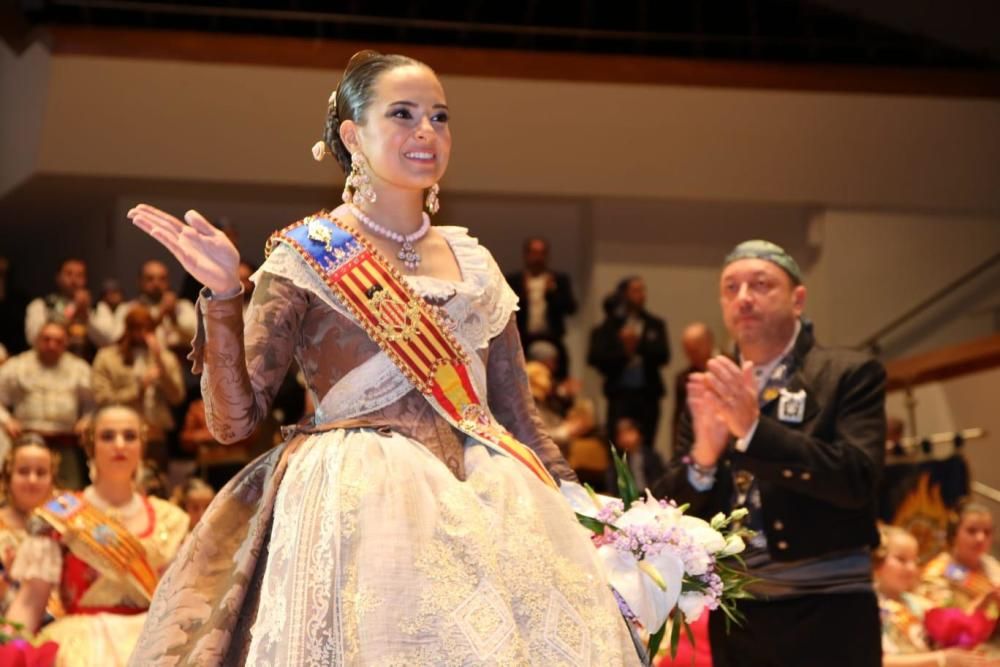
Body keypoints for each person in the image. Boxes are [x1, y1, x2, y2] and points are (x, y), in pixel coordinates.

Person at [126, 50, 640, 665]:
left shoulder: (475, 264)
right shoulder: (305, 256)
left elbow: (518, 423)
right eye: (403, 114)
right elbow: (233, 423)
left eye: (440, 117)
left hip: (492, 499)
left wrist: (596, 520)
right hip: (359, 505)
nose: (427, 132)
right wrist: (224, 296)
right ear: (353, 134)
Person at [653, 239, 887, 667]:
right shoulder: (711, 387)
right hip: (738, 614)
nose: (743, 298)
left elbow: (857, 480)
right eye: (730, 288)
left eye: (760, 285)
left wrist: (755, 432)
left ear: (798, 300)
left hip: (830, 612)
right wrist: (703, 459)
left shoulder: (847, 373)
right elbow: (669, 513)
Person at [6, 404, 189, 666]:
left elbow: (182, 602)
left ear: (142, 445)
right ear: (91, 445)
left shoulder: (169, 520)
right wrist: (10, 649)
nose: (119, 444)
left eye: (129, 436)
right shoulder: (61, 516)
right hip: (82, 646)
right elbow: (30, 601)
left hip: (152, 644)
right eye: (107, 436)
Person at [876, 525, 999, 666]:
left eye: (915, 560)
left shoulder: (916, 603)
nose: (911, 568)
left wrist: (983, 605)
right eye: (901, 560)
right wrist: (940, 659)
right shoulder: (867, 608)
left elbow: (956, 628)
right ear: (877, 561)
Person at [0, 321, 94, 489]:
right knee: (22, 490)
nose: (52, 345)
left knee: (68, 495)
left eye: (58, 341)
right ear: (37, 340)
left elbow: (92, 404)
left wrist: (86, 419)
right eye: (47, 339)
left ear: (66, 343)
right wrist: (7, 420)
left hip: (65, 442)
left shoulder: (79, 368)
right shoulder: (17, 366)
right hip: (26, 441)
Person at [92, 304, 185, 469]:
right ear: (128, 329)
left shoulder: (165, 358)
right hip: (120, 433)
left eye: (147, 329)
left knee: (156, 484)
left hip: (155, 433)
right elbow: (102, 398)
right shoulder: (107, 358)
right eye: (137, 328)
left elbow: (177, 397)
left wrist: (161, 365)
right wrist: (138, 388)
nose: (142, 334)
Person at [588, 275, 670, 448]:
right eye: (635, 291)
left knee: (647, 444)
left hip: (647, 395)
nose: (641, 295)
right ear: (624, 294)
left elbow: (663, 355)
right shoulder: (609, 327)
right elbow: (596, 358)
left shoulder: (654, 324)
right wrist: (624, 351)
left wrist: (637, 345)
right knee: (618, 445)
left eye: (642, 290)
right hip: (620, 395)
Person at [0, 434, 58, 617]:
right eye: (23, 471)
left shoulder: (66, 526)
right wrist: (7, 576)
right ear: (8, 476)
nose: (32, 480)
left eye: (41, 473)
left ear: (52, 478)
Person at [505, 237, 577, 379]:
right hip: (522, 339)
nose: (537, 257)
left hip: (551, 338)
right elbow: (504, 311)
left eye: (541, 253)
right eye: (533, 252)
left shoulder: (559, 280)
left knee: (555, 378)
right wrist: (522, 296)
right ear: (526, 255)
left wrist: (552, 294)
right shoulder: (514, 280)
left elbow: (571, 308)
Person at [921, 500, 1000, 623]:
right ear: (954, 533)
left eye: (987, 532)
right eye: (971, 531)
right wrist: (980, 606)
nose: (980, 538)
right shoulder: (937, 571)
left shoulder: (992, 567)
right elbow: (938, 624)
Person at [24, 258, 117, 360]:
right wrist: (73, 310)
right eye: (68, 274)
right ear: (58, 277)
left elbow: (110, 341)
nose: (74, 280)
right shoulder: (41, 305)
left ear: (85, 280)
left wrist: (86, 316)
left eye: (79, 275)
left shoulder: (98, 308)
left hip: (86, 367)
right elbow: (33, 339)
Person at [116, 260, 197, 356]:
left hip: (180, 365)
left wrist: (174, 317)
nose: (156, 283)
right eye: (150, 279)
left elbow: (200, 337)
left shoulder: (183, 305)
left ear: (168, 281)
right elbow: (116, 339)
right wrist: (160, 315)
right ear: (140, 281)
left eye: (162, 279)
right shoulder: (129, 309)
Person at [672, 322, 715, 454]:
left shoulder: (731, 366)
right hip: (696, 440)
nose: (691, 356)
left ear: (709, 343)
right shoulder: (683, 379)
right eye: (688, 351)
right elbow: (678, 417)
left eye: (695, 350)